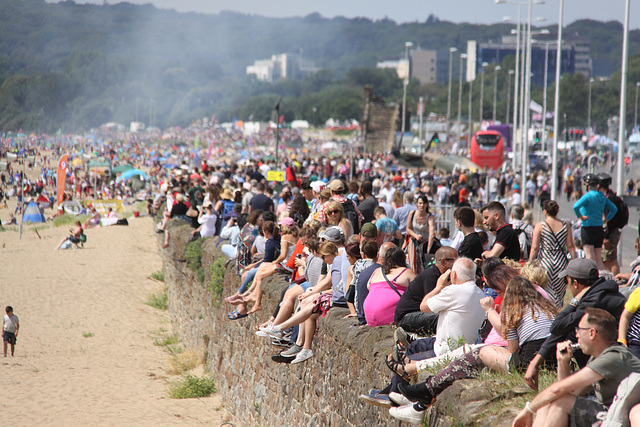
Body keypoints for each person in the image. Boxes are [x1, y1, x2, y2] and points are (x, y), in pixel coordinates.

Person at [390, 276, 558, 425]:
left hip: (529, 365)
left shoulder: (516, 310)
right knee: (477, 361)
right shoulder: (548, 310)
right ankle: (423, 400)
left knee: (478, 354)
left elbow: (513, 351)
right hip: (552, 363)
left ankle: (427, 391)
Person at [513, 308, 640, 427]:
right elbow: (569, 392)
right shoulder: (598, 357)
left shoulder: (613, 358)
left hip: (620, 416)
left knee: (561, 402)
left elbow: (558, 390)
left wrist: (528, 410)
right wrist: (562, 362)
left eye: (579, 330)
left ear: (591, 333)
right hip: (612, 412)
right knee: (547, 403)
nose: (577, 335)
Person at [524, 258, 627, 391]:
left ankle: (592, 377)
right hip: (618, 354)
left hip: (618, 360)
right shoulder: (600, 293)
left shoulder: (593, 300)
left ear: (576, 283)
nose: (568, 285)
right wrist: (535, 362)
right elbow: (559, 330)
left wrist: (574, 301)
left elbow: (557, 326)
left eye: (567, 281)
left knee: (575, 333)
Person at [394, 247, 457, 336]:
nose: (458, 264)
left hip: (418, 314)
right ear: (443, 262)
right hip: (406, 317)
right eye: (455, 260)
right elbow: (431, 306)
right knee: (443, 316)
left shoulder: (441, 275)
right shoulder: (430, 276)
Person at [530, 200, 577, 308]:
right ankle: (557, 310)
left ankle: (548, 312)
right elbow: (570, 246)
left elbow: (535, 247)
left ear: (545, 211)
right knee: (559, 292)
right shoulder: (565, 225)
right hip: (561, 262)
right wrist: (574, 262)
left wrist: (530, 262)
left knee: (545, 290)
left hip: (545, 261)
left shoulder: (540, 226)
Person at [572, 174, 617, 271]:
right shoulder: (602, 196)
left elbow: (575, 206)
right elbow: (614, 209)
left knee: (590, 256)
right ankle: (601, 276)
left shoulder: (588, 196)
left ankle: (591, 279)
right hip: (599, 228)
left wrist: (580, 216)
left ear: (588, 185)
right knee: (598, 257)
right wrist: (606, 220)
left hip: (587, 227)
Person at [363, 246, 416, 327]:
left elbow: (368, 287)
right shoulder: (406, 271)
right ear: (403, 259)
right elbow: (419, 290)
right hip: (390, 317)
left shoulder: (377, 271)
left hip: (370, 318)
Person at [598, 173, 627, 275]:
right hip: (612, 231)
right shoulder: (611, 196)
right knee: (607, 260)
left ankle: (615, 280)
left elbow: (608, 219)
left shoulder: (609, 199)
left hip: (610, 233)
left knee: (610, 260)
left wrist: (606, 236)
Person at [404, 194, 437, 274]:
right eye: (420, 203)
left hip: (426, 242)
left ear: (427, 204)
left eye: (424, 203)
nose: (422, 205)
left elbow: (432, 234)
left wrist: (428, 250)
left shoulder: (430, 217)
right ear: (417, 204)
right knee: (412, 263)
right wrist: (415, 236)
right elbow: (408, 228)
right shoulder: (412, 214)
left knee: (425, 262)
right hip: (414, 241)